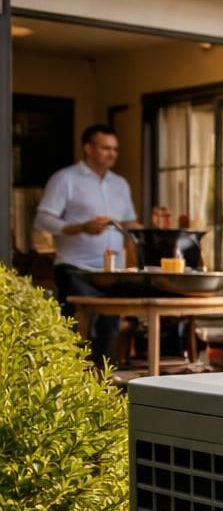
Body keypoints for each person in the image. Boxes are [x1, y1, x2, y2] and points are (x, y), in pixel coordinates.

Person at [33, 124, 143, 363]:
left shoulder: (120, 184)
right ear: (88, 148)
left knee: (110, 327)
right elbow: (43, 219)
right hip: (76, 268)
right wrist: (81, 227)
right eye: (106, 148)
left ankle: (105, 386)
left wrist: (156, 229)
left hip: (113, 272)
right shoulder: (65, 179)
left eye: (115, 149)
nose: (112, 153)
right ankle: (73, 384)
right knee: (77, 328)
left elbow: (128, 223)